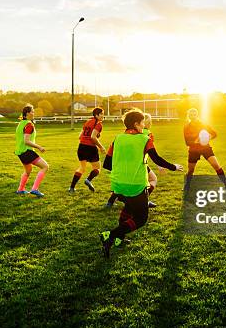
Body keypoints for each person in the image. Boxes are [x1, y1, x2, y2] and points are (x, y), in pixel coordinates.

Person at [99, 109, 183, 258]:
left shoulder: (117, 139)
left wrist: (124, 169)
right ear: (136, 124)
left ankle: (119, 240)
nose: (144, 126)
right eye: (143, 123)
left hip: (118, 184)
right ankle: (110, 235)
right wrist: (174, 167)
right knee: (141, 218)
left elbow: (107, 163)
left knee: (128, 208)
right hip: (135, 185)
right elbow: (156, 158)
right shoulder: (145, 139)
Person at [104, 113, 158, 209]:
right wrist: (161, 165)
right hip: (138, 163)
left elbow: (108, 161)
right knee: (153, 179)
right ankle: (143, 199)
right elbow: (151, 152)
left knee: (122, 182)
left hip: (124, 162)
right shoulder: (148, 135)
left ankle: (110, 201)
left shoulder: (123, 135)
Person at [183, 108, 226, 193]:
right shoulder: (186, 127)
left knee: (216, 165)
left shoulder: (202, 124)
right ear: (188, 116)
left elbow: (214, 133)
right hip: (193, 150)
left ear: (197, 115)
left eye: (194, 114)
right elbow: (187, 142)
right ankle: (187, 185)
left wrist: (208, 138)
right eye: (191, 115)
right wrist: (196, 141)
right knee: (190, 170)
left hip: (205, 148)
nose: (193, 116)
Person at [68, 107, 105, 193]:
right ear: (96, 115)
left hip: (81, 147)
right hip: (90, 148)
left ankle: (71, 188)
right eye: (102, 114)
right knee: (97, 168)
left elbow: (80, 136)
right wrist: (101, 147)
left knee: (82, 168)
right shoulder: (98, 124)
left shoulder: (88, 122)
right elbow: (93, 137)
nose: (103, 116)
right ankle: (88, 180)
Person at [15, 104, 49, 197]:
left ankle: (20, 189)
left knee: (28, 171)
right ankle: (34, 189)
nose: (34, 113)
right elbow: (26, 141)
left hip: (20, 152)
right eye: (32, 111)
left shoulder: (21, 123)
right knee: (45, 167)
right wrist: (39, 147)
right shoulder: (29, 124)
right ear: (27, 113)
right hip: (27, 151)